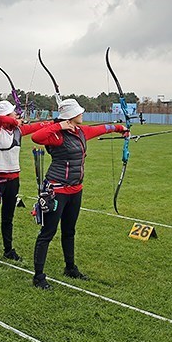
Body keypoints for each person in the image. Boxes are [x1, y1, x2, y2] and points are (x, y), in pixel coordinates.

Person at [29, 98, 128, 290]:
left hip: (75, 189)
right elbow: (36, 137)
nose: (82, 114)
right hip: (56, 190)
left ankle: (70, 268)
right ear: (71, 116)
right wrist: (59, 125)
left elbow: (103, 128)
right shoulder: (56, 136)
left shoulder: (81, 131)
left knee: (69, 230)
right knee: (47, 233)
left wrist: (120, 128)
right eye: (79, 112)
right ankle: (38, 277)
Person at [0, 100, 52, 271]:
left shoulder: (17, 130)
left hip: (13, 179)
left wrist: (55, 123)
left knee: (8, 217)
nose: (16, 115)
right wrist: (14, 121)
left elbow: (38, 126)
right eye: (13, 113)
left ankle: (8, 250)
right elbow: (1, 120)